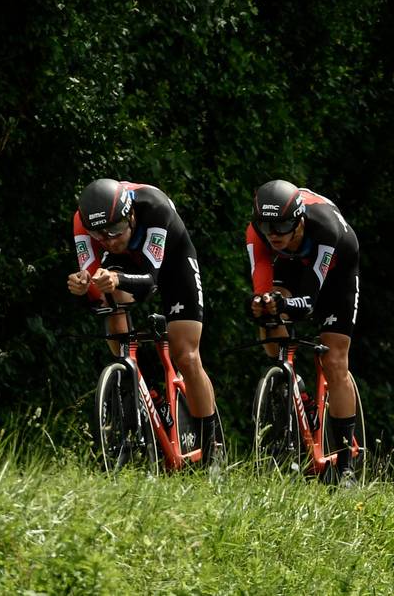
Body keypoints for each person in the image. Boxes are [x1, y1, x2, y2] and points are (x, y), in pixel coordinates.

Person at [66, 178, 221, 463]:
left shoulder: (154, 207)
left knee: (185, 355)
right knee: (110, 299)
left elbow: (150, 280)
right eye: (99, 235)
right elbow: (91, 287)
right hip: (125, 265)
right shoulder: (82, 223)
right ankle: (129, 378)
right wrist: (82, 287)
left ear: (131, 215)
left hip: (172, 262)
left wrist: (114, 278)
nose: (109, 240)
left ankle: (212, 449)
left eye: (115, 230)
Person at [246, 180, 361, 482]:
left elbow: (308, 302)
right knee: (269, 310)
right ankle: (289, 378)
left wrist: (284, 303)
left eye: (282, 226)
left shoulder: (323, 227)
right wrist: (263, 303)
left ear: (299, 221)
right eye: (267, 227)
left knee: (334, 360)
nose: (274, 235)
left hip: (337, 272)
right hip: (293, 266)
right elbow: (261, 286)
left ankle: (346, 464)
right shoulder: (259, 233)